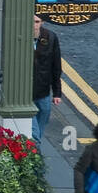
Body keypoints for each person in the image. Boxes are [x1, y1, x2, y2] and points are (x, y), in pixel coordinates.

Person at [31, 14, 62, 143]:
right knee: (35, 133)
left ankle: (34, 145)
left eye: (37, 22)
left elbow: (56, 66)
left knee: (43, 116)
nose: (34, 25)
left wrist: (57, 93)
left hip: (43, 91)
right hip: (25, 93)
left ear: (42, 22)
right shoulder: (19, 36)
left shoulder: (51, 37)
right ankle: (35, 147)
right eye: (32, 22)